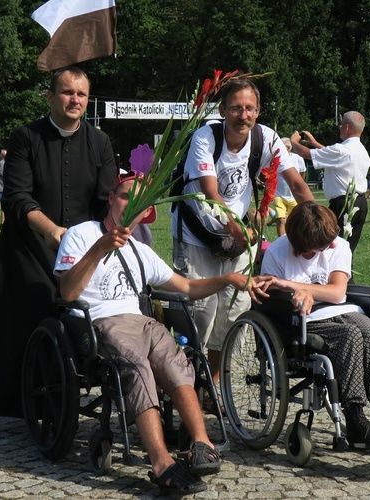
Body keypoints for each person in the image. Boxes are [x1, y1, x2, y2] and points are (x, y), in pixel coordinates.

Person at [56, 172, 268, 494]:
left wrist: (226, 280)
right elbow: (68, 292)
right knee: (137, 367)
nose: (130, 206)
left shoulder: (140, 250)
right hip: (100, 322)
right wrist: (100, 248)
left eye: (139, 203)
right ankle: (160, 463)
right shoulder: (81, 235)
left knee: (175, 360)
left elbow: (184, 287)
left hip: (141, 320)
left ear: (145, 214)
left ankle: (201, 442)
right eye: (126, 196)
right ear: (111, 198)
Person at [0, 66, 117, 417]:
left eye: (81, 94)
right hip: (30, 243)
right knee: (37, 301)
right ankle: (24, 399)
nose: (75, 100)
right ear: (51, 95)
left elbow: (106, 201)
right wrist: (50, 229)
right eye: (67, 92)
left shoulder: (100, 142)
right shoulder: (26, 136)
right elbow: (17, 197)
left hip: (83, 246)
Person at [172, 79, 314, 393]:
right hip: (198, 233)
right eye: (236, 108)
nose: (243, 115)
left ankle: (212, 387)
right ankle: (186, 383)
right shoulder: (206, 138)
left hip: (238, 239)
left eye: (250, 108)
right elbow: (210, 194)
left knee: (230, 314)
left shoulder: (267, 139)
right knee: (200, 314)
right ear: (223, 110)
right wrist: (240, 230)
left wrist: (322, 224)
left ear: (258, 111)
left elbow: (297, 184)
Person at [258, 201, 370, 451]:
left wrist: (293, 286)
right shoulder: (277, 253)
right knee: (350, 334)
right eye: (321, 245)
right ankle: (354, 416)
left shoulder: (338, 244)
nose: (330, 246)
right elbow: (272, 296)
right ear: (301, 244)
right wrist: (295, 294)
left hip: (343, 309)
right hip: (305, 321)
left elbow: (337, 291)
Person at [290, 111, 370, 254]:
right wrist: (314, 143)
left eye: (341, 125)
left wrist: (293, 142)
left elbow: (305, 154)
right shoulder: (361, 150)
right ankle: (347, 275)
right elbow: (332, 155)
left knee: (332, 249)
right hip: (361, 203)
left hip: (343, 203)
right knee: (347, 250)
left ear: (346, 127)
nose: (339, 127)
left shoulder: (341, 150)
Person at [269, 137, 307, 236]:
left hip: (293, 196)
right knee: (281, 221)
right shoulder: (274, 159)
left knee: (293, 221)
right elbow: (270, 175)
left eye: (282, 147)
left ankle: (292, 240)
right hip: (279, 195)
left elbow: (303, 173)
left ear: (289, 148)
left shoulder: (298, 158)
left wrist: (298, 185)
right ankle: (281, 242)